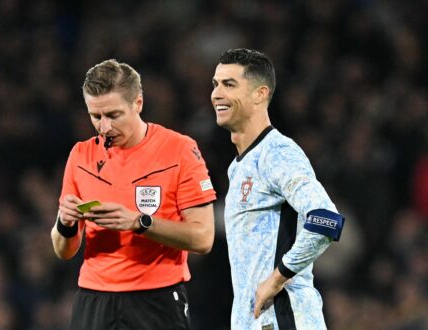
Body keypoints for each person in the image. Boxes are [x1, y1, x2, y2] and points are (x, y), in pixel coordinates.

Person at [51, 59, 217, 329]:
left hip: (156, 300)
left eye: (114, 115)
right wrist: (65, 223)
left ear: (137, 103)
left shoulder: (179, 150)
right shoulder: (81, 155)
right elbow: (64, 250)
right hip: (94, 300)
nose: (104, 128)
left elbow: (203, 238)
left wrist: (139, 222)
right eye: (96, 116)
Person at [211, 48, 345, 329]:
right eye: (216, 84)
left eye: (229, 84)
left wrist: (278, 277)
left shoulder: (278, 153)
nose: (216, 94)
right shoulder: (238, 168)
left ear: (260, 94)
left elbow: (326, 220)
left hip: (286, 317)